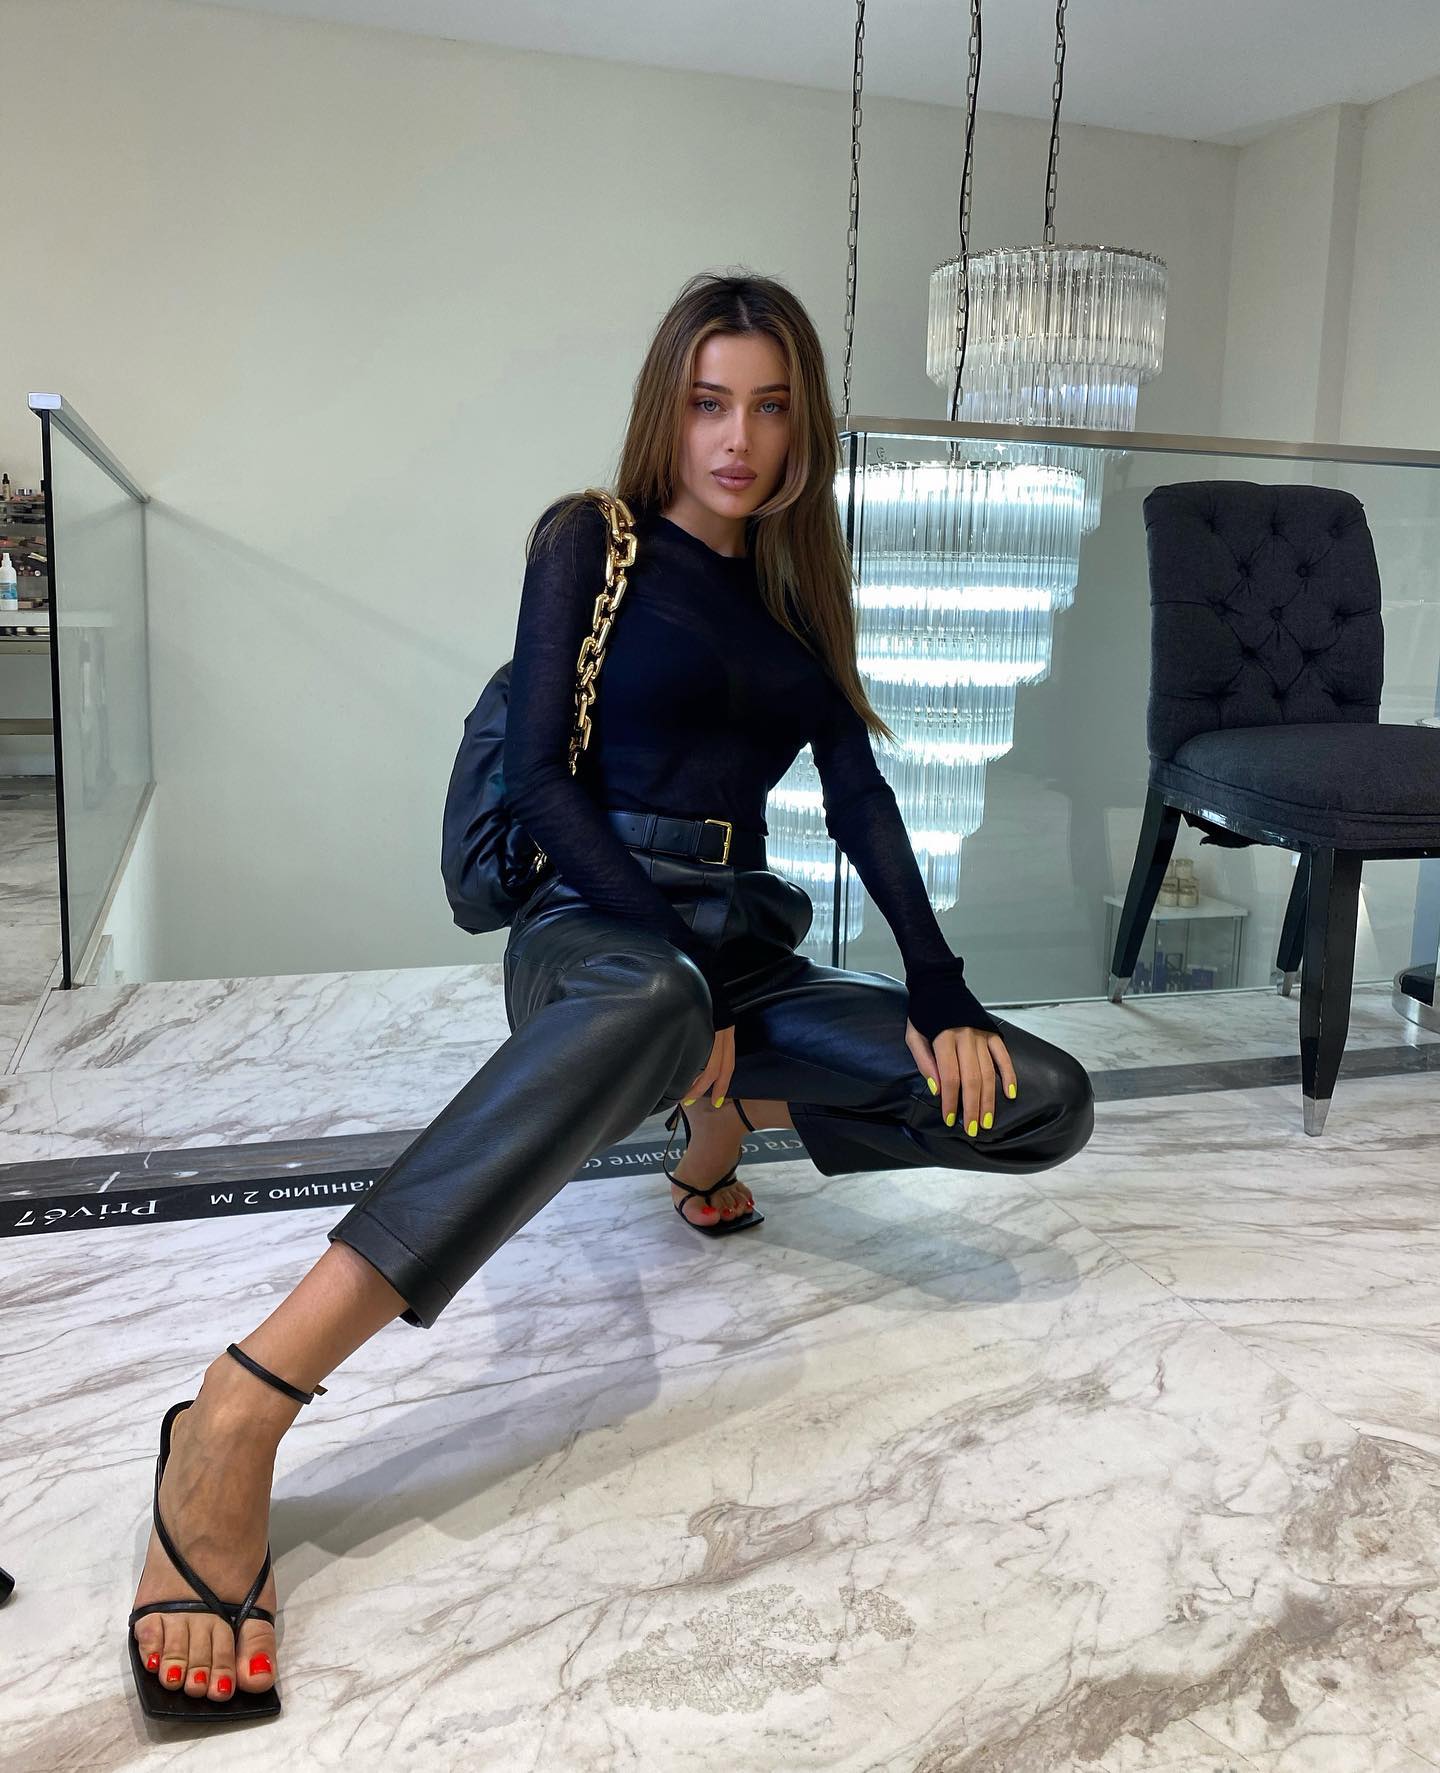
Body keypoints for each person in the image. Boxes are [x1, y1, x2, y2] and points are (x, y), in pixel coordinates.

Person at [127, 270, 1094, 1720]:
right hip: (595, 927)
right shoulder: (594, 539)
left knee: (1042, 1101)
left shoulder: (799, 603)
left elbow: (863, 805)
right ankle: (239, 1406)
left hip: (741, 948)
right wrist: (684, 977)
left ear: (805, 426)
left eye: (770, 407)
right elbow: (538, 777)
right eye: (709, 403)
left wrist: (942, 991)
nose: (738, 439)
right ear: (669, 412)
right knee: (655, 1005)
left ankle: (721, 1129)